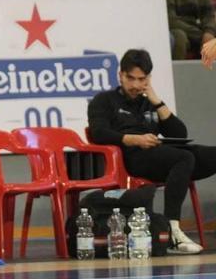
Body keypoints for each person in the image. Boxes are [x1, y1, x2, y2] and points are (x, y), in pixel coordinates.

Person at [88, 48, 215, 254]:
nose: (135, 85)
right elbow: (98, 133)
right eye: (130, 78)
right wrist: (135, 139)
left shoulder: (150, 103)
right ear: (120, 75)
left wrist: (157, 101)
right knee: (184, 158)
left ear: (148, 79)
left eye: (141, 79)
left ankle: (173, 229)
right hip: (131, 158)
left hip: (159, 154)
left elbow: (179, 133)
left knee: (201, 155)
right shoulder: (104, 100)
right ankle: (172, 231)